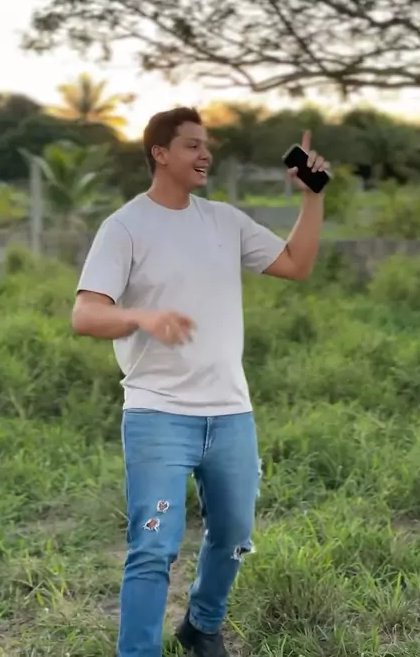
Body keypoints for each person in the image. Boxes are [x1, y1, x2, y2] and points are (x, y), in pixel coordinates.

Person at [72, 107, 330, 657]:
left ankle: (202, 625)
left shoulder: (224, 221)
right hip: (158, 414)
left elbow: (296, 264)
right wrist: (140, 316)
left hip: (230, 412)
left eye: (206, 145)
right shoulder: (124, 227)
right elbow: (86, 314)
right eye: (192, 145)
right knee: (153, 547)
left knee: (234, 535)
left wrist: (312, 196)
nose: (205, 154)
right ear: (160, 153)